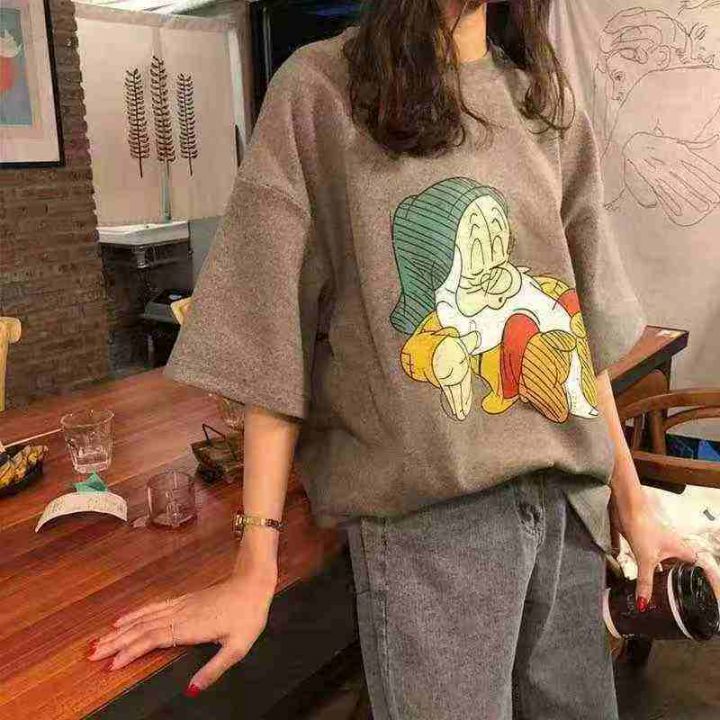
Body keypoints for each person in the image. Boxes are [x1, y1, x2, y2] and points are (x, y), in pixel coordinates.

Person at [87, 1, 698, 717]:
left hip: (569, 518)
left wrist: (632, 504)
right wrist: (255, 562)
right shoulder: (322, 91)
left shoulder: (543, 98)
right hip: (432, 532)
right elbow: (272, 334)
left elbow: (576, 329)